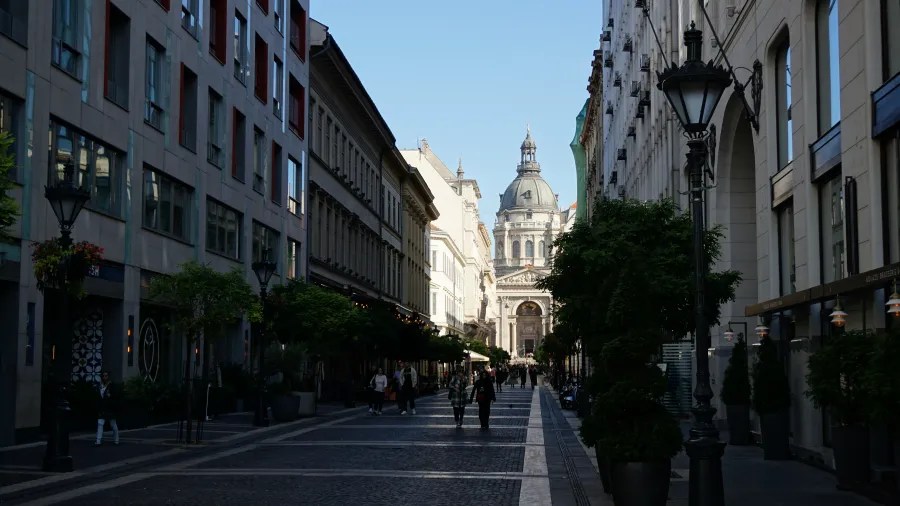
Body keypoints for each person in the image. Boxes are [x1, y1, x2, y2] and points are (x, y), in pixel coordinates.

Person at [94, 371, 120, 446]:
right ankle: (98, 441)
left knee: (113, 424)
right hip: (102, 408)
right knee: (100, 423)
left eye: (106, 376)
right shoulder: (100, 385)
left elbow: (116, 396)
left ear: (108, 377)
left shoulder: (112, 385)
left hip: (110, 408)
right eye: (103, 376)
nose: (105, 377)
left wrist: (111, 397)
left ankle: (116, 440)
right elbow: (98, 397)